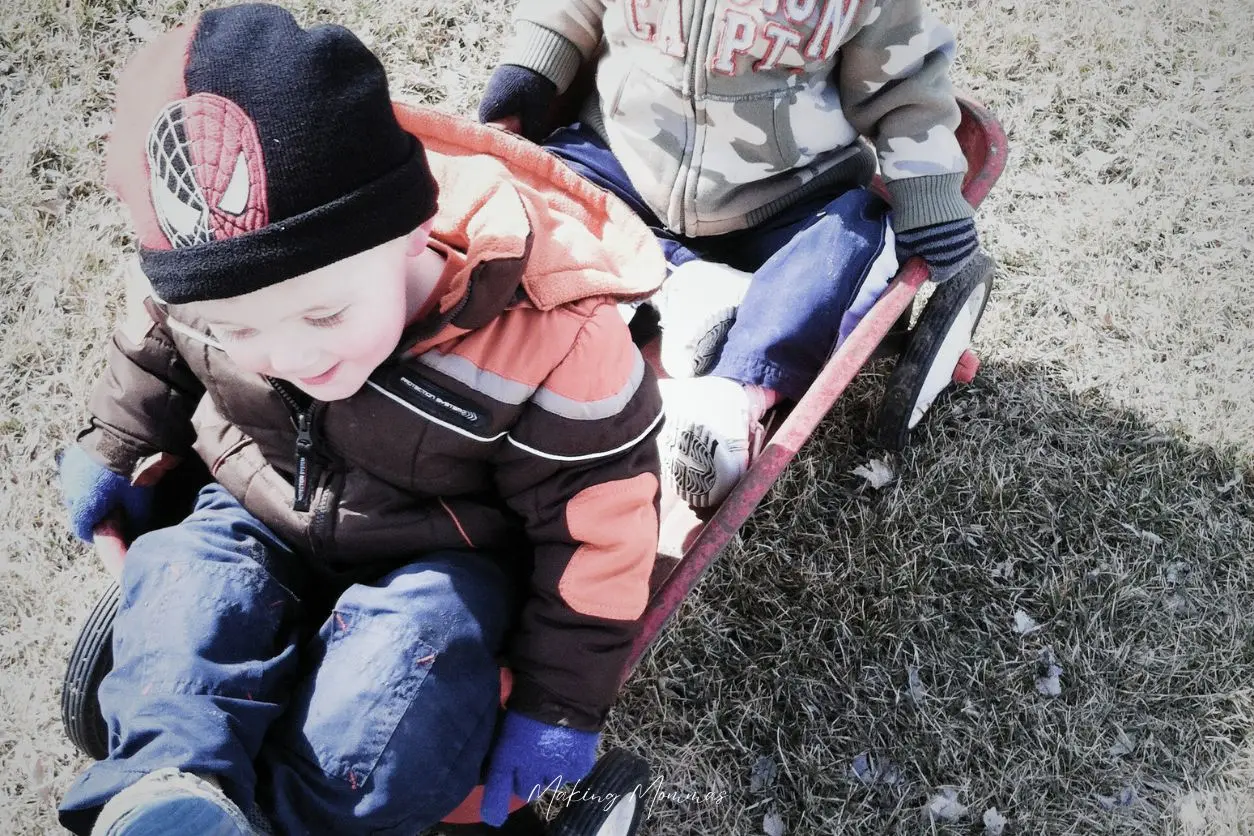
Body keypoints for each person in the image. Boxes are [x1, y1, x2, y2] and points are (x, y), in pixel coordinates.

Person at [55, 4, 667, 834]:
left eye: (320, 317)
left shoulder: (551, 341)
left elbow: (600, 535)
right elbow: (154, 339)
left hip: (443, 554)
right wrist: (118, 440)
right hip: (257, 500)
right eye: (238, 331)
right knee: (183, 583)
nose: (282, 355)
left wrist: (558, 707)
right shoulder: (216, 285)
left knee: (402, 678)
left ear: (414, 234)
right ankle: (168, 780)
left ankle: (299, 817)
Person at [480, 0, 981, 507]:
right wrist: (532, 68)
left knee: (853, 239)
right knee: (539, 190)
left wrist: (930, 187)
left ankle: (731, 400)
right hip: (626, 158)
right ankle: (681, 286)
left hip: (786, 196)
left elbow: (904, 81)